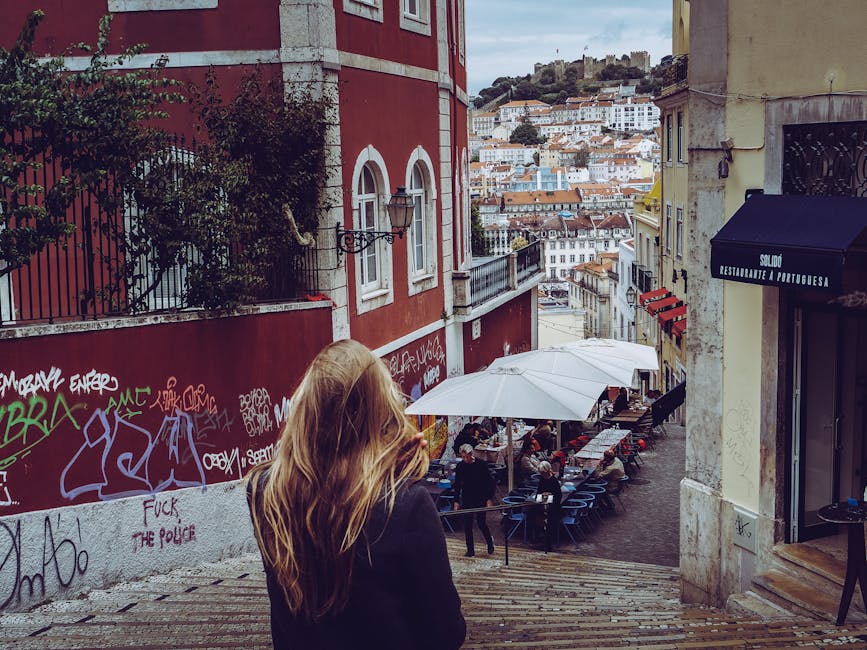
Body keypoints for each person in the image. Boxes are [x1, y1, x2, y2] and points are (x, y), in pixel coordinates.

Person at [246, 339, 465, 650]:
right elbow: (446, 633)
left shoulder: (264, 492)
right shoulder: (406, 505)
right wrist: (400, 475)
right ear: (380, 412)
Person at [453, 443, 496, 557]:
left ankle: (490, 542)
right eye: (463, 457)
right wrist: (456, 501)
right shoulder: (460, 467)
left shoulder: (481, 465)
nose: (465, 459)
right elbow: (457, 485)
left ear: (471, 454)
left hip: (480, 497)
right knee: (468, 525)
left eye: (466, 456)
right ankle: (470, 550)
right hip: (467, 498)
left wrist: (489, 498)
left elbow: (489, 483)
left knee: (481, 523)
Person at [534, 460, 562, 552]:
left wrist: (550, 496)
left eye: (544, 473)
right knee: (533, 513)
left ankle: (548, 543)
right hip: (543, 503)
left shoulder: (553, 481)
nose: (543, 475)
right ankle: (538, 537)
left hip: (553, 506)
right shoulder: (542, 479)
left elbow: (558, 496)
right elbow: (539, 492)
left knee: (550, 519)